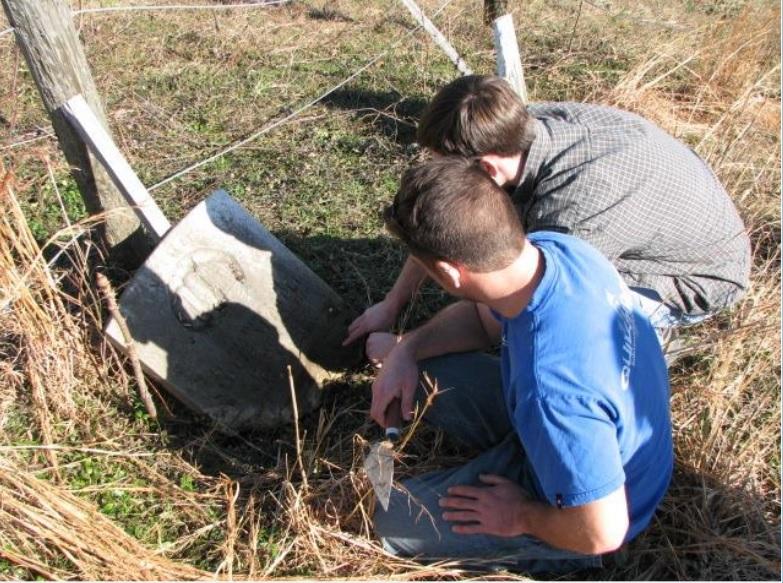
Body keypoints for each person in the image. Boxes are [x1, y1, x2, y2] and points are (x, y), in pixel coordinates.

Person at [367, 156, 672, 572]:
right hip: (590, 432)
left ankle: (545, 549)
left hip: (593, 508)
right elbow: (481, 321)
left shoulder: (550, 390)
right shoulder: (558, 251)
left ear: (449, 274)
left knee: (382, 517)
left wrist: (521, 515)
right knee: (416, 372)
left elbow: (604, 530)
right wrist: (406, 350)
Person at [344, 75, 750, 351]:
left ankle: (652, 342)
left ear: (487, 168)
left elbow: (521, 300)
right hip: (650, 216)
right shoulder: (516, 126)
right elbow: (442, 214)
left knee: (556, 323)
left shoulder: (576, 209)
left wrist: (408, 347)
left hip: (691, 276)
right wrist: (392, 304)